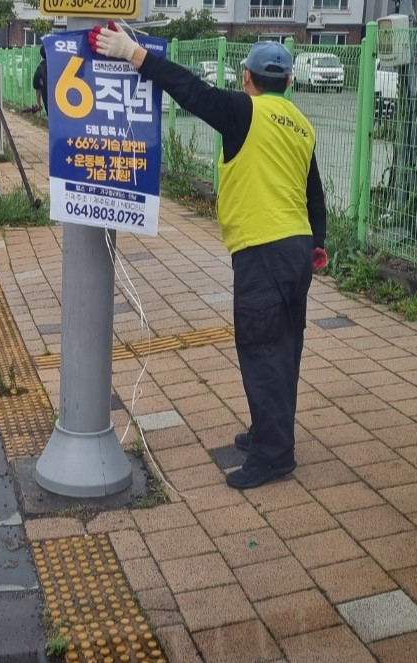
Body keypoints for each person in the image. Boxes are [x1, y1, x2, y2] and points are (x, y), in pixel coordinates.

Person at [90, 26, 326, 490]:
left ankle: (274, 456)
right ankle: (267, 431)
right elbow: (314, 192)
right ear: (290, 83)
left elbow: (191, 91)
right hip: (296, 249)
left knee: (262, 349)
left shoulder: (245, 111)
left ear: (247, 78)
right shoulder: (301, 123)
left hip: (263, 249)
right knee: (285, 347)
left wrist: (132, 53)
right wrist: (318, 243)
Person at [32, 45, 48, 114]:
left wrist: (38, 104)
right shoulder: (60, 64)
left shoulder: (39, 69)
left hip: (49, 106)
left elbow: (38, 88)